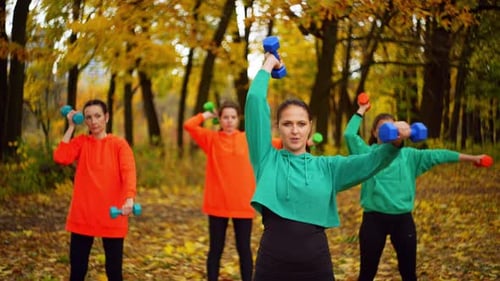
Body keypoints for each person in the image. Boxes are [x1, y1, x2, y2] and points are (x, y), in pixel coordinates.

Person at [244, 52, 413, 281]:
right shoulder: (266, 159)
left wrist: (396, 142)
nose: (295, 130)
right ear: (278, 127)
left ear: (310, 127)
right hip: (271, 266)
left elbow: (370, 162)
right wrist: (268, 65)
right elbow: (255, 102)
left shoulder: (327, 167)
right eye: (287, 124)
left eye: (301, 124)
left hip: (316, 265)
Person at [343, 97, 491, 281]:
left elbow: (440, 155)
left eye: (394, 127)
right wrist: (362, 110)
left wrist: (473, 158)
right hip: (373, 220)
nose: (391, 132)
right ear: (374, 132)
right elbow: (349, 135)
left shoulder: (410, 156)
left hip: (403, 220)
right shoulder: (366, 154)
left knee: (409, 273)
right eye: (384, 128)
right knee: (366, 274)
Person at [53, 99, 137, 281]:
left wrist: (129, 198)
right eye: (89, 117)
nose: (94, 121)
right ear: (85, 120)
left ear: (106, 117)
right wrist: (70, 127)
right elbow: (60, 157)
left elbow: (128, 172)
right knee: (77, 271)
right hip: (84, 214)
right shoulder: (82, 142)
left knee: (114, 272)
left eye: (98, 116)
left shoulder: (119, 144)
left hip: (112, 213)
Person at [183, 100, 255, 281]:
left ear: (238, 119)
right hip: (217, 203)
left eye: (233, 117)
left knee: (244, 249)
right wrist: (206, 115)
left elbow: (276, 144)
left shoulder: (249, 139)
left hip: (242, 204)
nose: (229, 121)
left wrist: (305, 143)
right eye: (225, 117)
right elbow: (188, 125)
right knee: (216, 249)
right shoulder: (211, 139)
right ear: (220, 119)